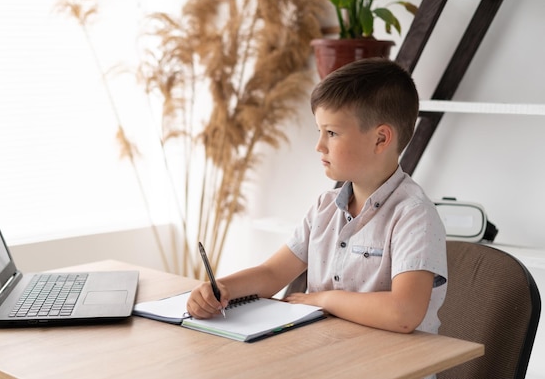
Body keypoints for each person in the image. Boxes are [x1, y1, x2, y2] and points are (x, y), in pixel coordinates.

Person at [187, 58, 448, 335]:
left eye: (332, 133)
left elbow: (403, 313)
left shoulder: (414, 215)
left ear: (381, 139)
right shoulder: (325, 207)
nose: (319, 146)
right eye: (319, 131)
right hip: (328, 353)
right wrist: (219, 290)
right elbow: (273, 273)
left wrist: (323, 300)